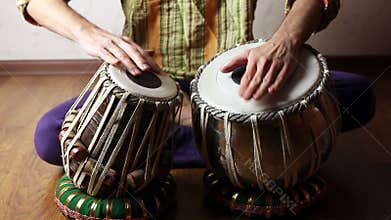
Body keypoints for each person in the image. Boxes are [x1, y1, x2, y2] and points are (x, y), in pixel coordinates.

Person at [17, 0, 375, 167]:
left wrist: (284, 41)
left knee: (356, 95)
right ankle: (243, 147)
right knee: (51, 137)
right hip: (151, 88)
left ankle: (145, 147)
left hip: (234, 84)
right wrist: (89, 34)